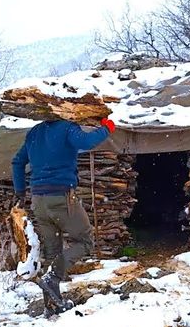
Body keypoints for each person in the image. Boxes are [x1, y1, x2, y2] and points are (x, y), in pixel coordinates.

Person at [11, 117, 115, 315]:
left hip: (38, 200)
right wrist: (106, 128)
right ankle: (53, 277)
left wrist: (20, 193)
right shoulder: (67, 128)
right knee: (85, 241)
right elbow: (87, 142)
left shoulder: (34, 132)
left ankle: (51, 305)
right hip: (61, 197)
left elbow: (17, 162)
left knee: (52, 251)